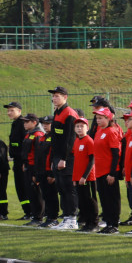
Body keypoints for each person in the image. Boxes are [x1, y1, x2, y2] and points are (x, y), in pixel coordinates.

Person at [48, 86, 79, 230]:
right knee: (61, 187)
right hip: (58, 156)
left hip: (68, 157)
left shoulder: (69, 113)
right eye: (53, 96)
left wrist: (64, 159)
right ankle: (66, 217)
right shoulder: (57, 112)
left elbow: (70, 138)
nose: (54, 98)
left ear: (65, 97)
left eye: (57, 96)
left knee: (68, 187)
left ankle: (72, 219)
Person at [91, 107, 122, 234]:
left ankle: (114, 225)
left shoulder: (111, 132)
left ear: (108, 118)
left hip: (108, 172)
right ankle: (108, 223)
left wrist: (112, 173)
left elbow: (116, 154)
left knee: (112, 199)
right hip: (99, 171)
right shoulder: (99, 131)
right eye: (97, 118)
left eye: (101, 118)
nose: (98, 120)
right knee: (104, 199)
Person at [71, 117, 99, 232]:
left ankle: (94, 223)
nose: (79, 128)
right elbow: (76, 161)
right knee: (82, 202)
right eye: (77, 126)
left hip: (88, 178)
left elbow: (92, 160)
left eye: (82, 126)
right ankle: (87, 223)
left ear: (87, 128)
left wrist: (84, 176)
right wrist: (74, 177)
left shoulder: (89, 141)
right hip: (78, 177)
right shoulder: (77, 141)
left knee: (90, 200)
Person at [5, 102, 29, 220]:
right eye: (8, 110)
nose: (9, 113)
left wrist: (25, 161)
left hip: (23, 161)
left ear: (19, 111)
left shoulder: (22, 124)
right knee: (20, 187)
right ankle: (27, 212)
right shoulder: (15, 124)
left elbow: (25, 144)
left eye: (12, 110)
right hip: (17, 161)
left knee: (25, 187)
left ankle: (33, 212)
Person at [20, 114, 45, 226]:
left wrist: (36, 172)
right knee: (30, 192)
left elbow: (39, 155)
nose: (24, 124)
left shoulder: (38, 134)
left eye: (27, 122)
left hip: (34, 168)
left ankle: (39, 217)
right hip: (28, 167)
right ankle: (35, 215)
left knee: (36, 192)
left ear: (34, 122)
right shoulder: (28, 134)